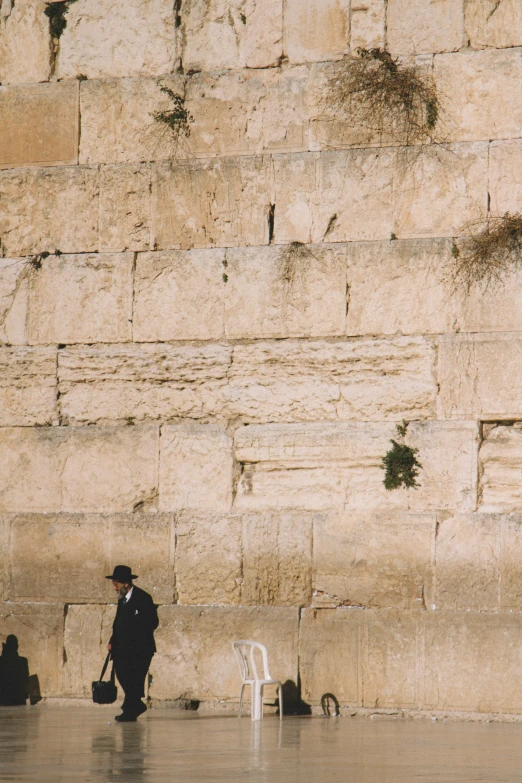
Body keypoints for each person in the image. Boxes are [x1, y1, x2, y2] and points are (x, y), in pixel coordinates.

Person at [106, 565, 159, 722]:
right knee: (122, 674)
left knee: (135, 678)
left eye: (116, 584)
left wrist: (136, 630)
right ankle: (135, 705)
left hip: (140, 648)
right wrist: (112, 640)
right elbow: (118, 622)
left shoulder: (143, 598)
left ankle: (129, 711)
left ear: (126, 584)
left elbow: (153, 622)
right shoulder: (123, 599)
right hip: (123, 648)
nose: (115, 588)